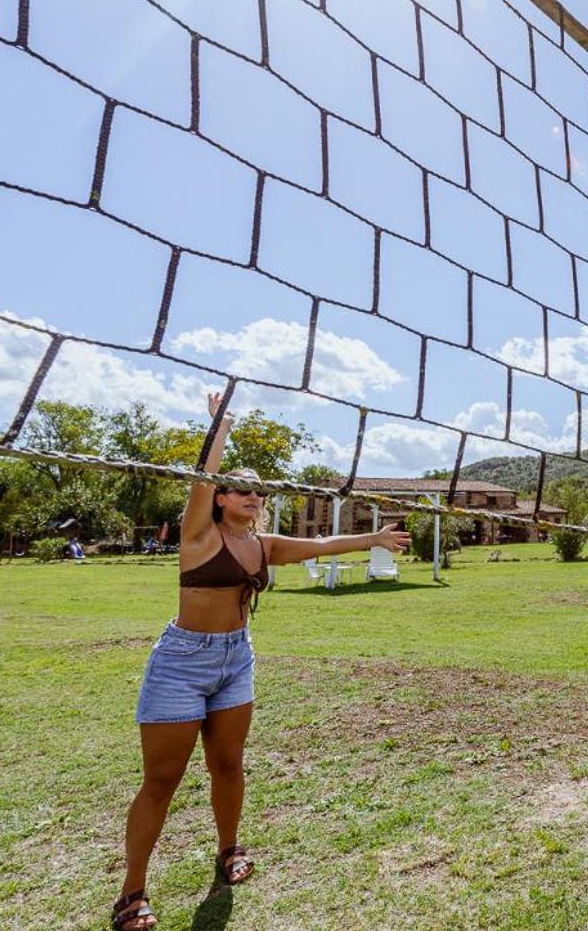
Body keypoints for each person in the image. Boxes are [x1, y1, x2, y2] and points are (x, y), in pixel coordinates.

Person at [110, 393, 414, 931]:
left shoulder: (263, 544)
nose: (254, 495)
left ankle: (228, 850)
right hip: (182, 661)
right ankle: (132, 891)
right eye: (242, 488)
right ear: (221, 498)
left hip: (235, 659)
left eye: (260, 490)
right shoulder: (198, 536)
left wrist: (377, 538)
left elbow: (322, 545)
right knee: (163, 779)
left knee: (228, 765)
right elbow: (199, 480)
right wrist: (220, 429)